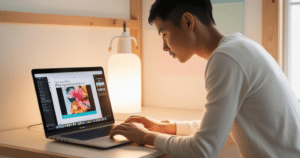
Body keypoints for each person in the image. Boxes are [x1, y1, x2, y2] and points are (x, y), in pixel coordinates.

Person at [110, 0, 300, 157]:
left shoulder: (225, 58)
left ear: (188, 22)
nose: (164, 47)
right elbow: (219, 125)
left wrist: (147, 137)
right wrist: (167, 128)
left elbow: (204, 150)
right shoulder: (241, 46)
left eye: (164, 35)